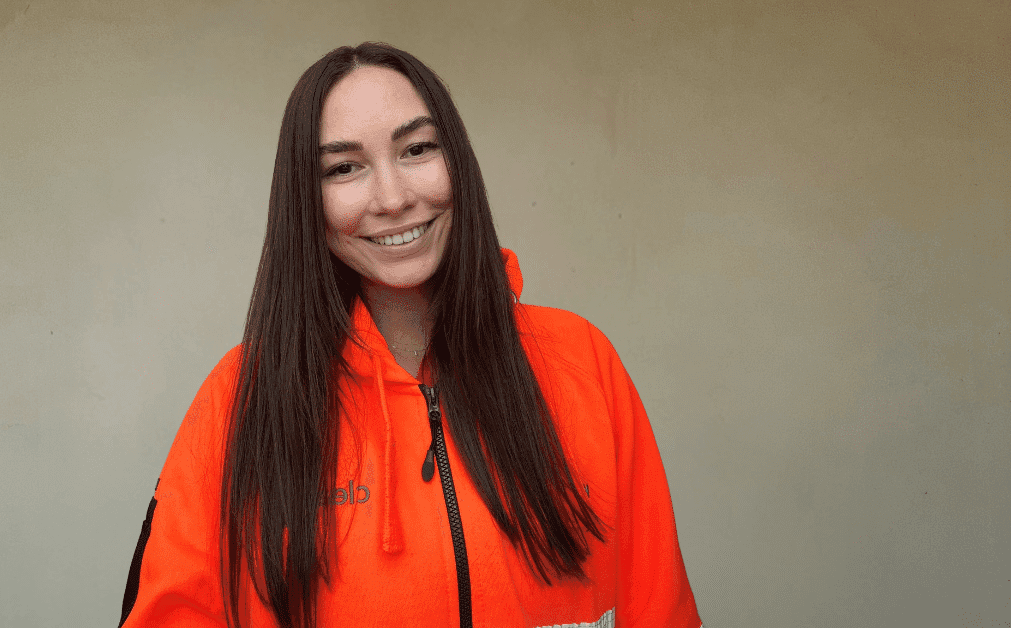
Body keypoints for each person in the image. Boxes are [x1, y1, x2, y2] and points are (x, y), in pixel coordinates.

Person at [118, 42, 702, 628]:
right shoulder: (238, 400)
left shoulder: (582, 361)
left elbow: (659, 611)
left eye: (417, 149)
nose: (394, 199)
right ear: (306, 200)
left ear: (458, 160)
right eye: (344, 168)